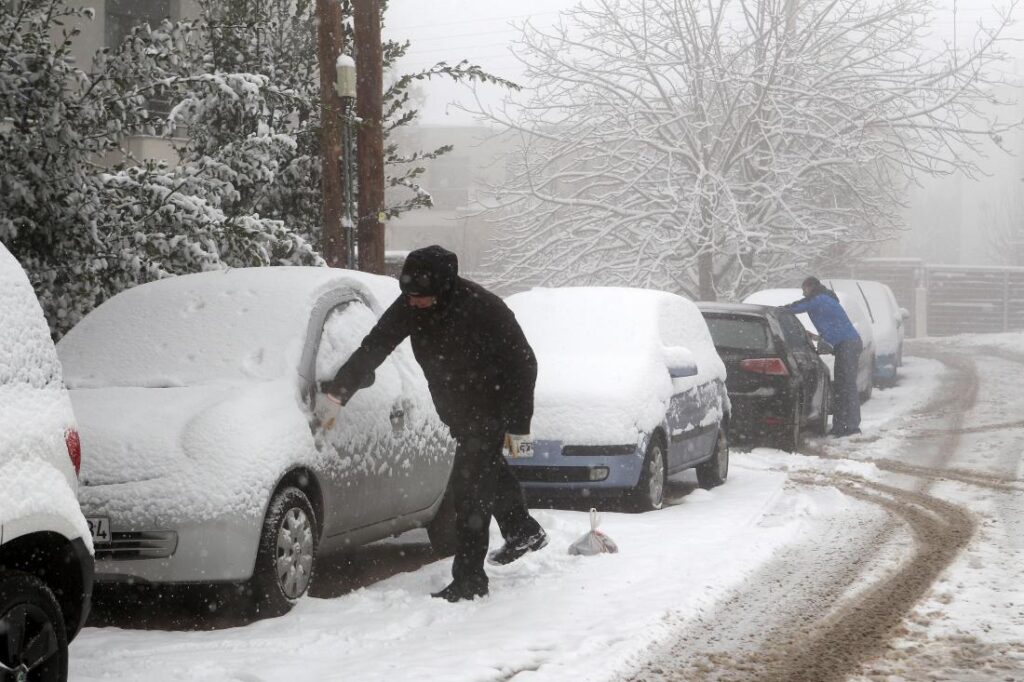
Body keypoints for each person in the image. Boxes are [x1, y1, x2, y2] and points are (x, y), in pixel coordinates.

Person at [319, 245, 548, 602]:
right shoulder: (411, 306)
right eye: (409, 297)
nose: (414, 303)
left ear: (444, 288)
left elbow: (524, 364)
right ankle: (523, 531)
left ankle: (470, 580)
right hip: (458, 411)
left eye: (421, 297)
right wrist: (339, 391)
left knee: (469, 491)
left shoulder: (484, 308)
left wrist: (519, 426)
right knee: (488, 473)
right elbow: (376, 345)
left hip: (491, 408)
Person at [783, 277, 863, 437]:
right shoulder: (825, 298)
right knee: (843, 386)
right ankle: (843, 426)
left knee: (846, 386)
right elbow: (832, 327)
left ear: (811, 287)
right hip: (847, 343)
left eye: (804, 289)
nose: (803, 293)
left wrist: (779, 310)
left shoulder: (819, 299)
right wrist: (817, 338)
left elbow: (797, 307)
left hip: (847, 344)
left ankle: (850, 427)